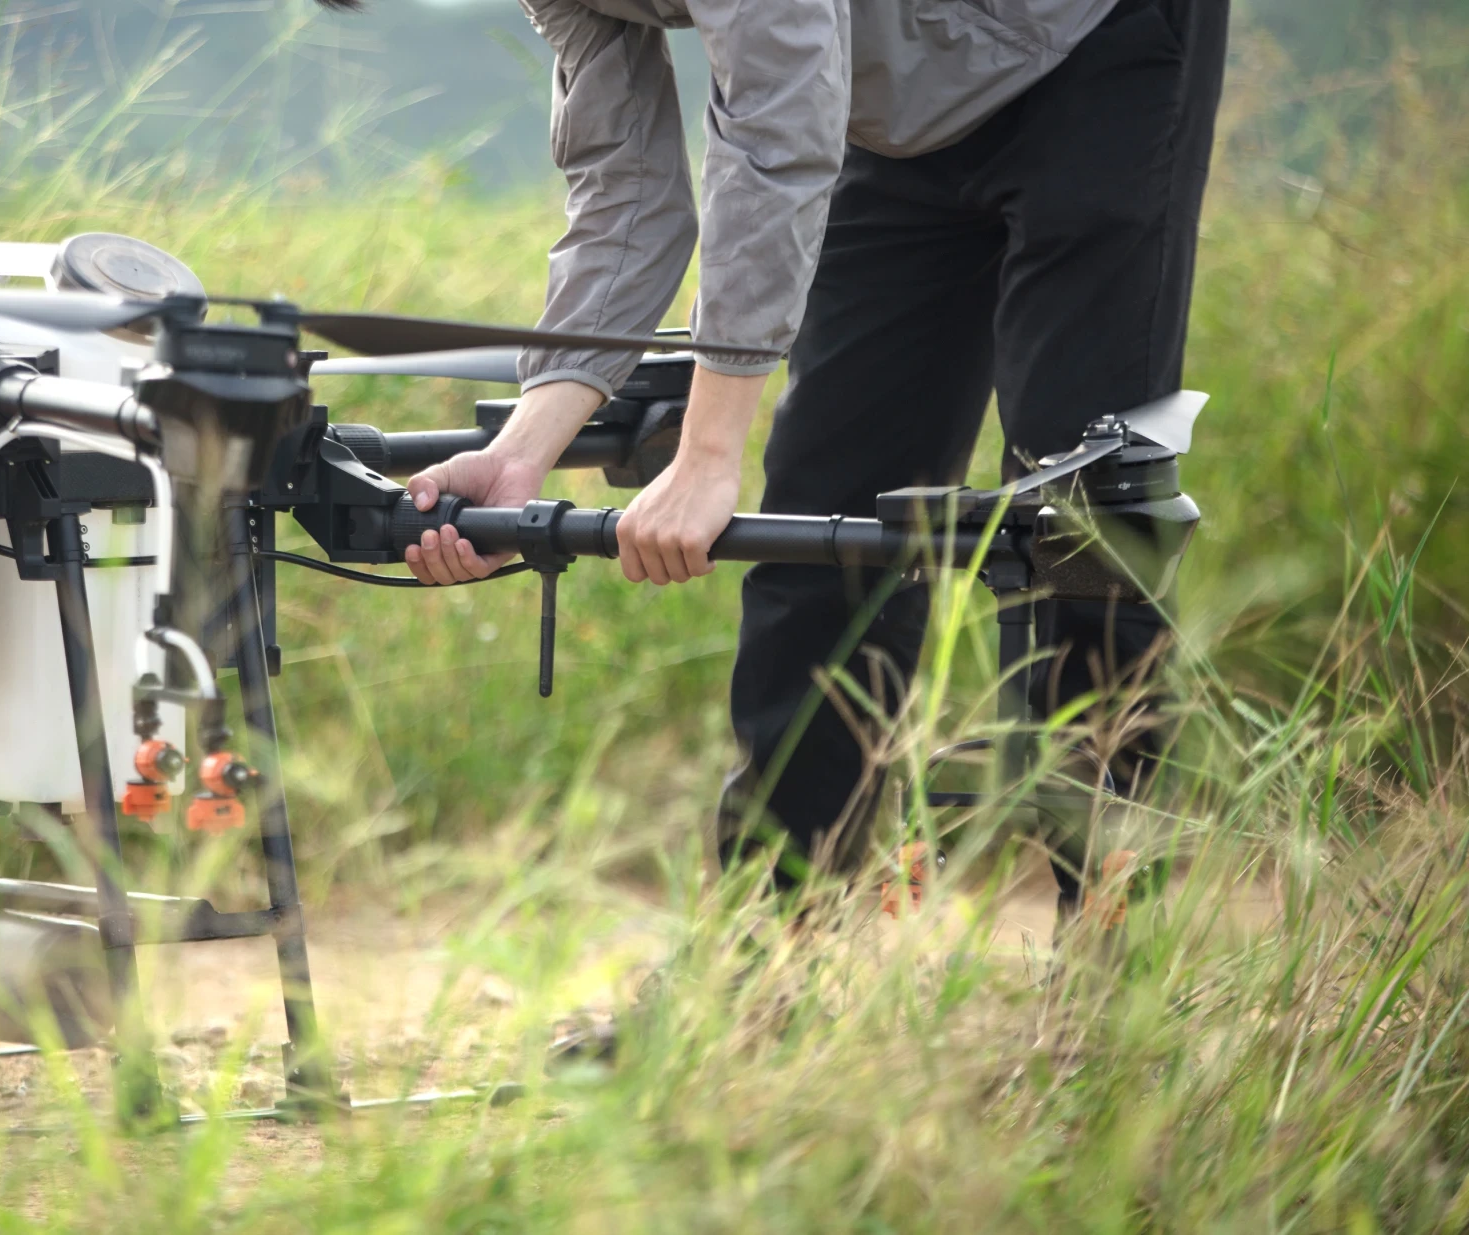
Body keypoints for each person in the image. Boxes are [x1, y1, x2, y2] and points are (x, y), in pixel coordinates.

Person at [380, 0, 1230, 896]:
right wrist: (524, 451)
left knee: (1082, 513)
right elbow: (625, 194)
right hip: (894, 113)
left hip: (1092, 45)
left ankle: (1113, 966)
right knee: (820, 529)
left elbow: (778, 128)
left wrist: (710, 455)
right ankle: (768, 962)